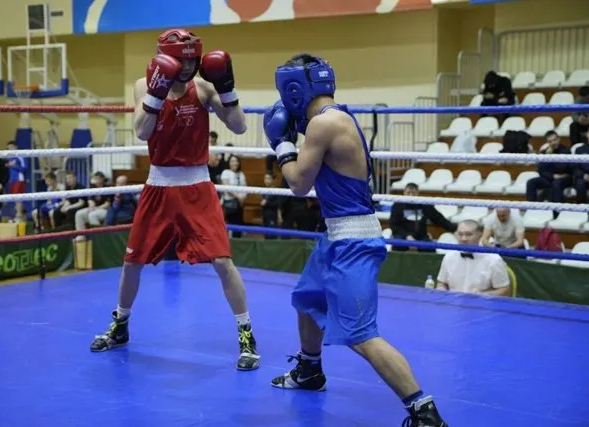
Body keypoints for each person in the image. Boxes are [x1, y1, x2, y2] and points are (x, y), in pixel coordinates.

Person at [264, 54, 447, 426]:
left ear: (293, 89)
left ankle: (424, 412)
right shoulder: (334, 118)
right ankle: (310, 371)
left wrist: (281, 144)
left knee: (362, 335)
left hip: (354, 243)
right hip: (336, 236)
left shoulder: (323, 124)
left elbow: (298, 184)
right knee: (307, 299)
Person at [89, 28, 260, 371]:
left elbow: (239, 126)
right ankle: (120, 325)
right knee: (132, 262)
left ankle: (246, 335)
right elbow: (142, 131)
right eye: (182, 61)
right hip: (159, 184)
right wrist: (156, 93)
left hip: (198, 185)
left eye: (192, 61)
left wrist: (227, 88)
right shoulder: (144, 84)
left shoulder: (205, 87)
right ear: (166, 59)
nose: (188, 67)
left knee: (222, 261)